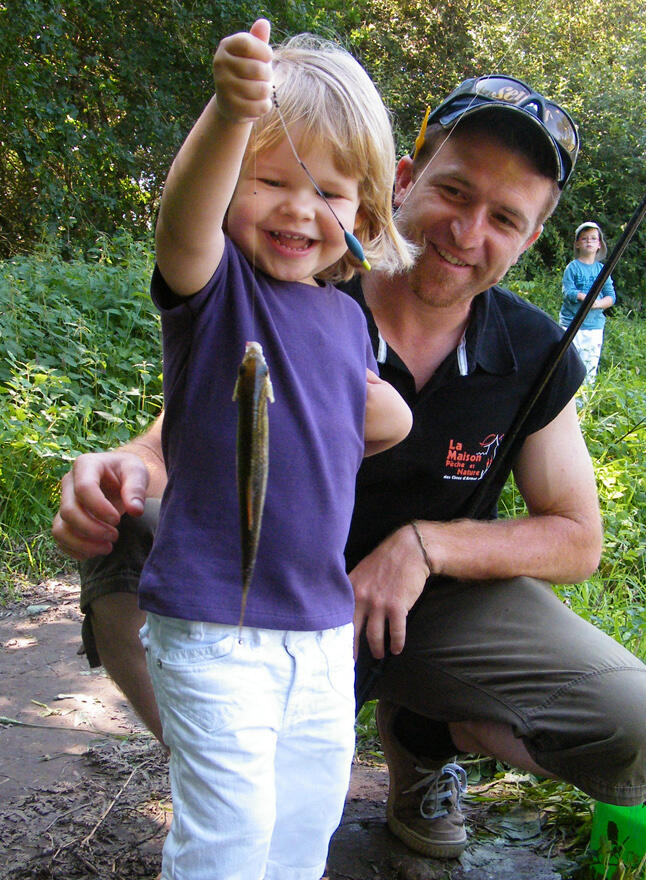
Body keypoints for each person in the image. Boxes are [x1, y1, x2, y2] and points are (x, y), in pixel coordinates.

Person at [55, 73, 646, 862]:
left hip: (426, 614)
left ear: (529, 241)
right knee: (126, 523)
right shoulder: (297, 279)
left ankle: (426, 738)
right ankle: (226, 761)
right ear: (401, 180)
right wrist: (115, 466)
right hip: (260, 595)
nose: (466, 230)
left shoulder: (533, 350)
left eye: (503, 219)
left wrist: (424, 547)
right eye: (453, 190)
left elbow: (575, 538)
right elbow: (176, 435)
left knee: (634, 723)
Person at [136, 21, 413, 879]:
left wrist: (387, 416)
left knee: (303, 827)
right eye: (269, 179)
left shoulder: (346, 318)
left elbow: (360, 414)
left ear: (365, 216)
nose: (300, 208)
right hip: (214, 624)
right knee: (228, 836)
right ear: (230, 189)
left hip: (321, 631)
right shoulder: (216, 293)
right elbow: (182, 226)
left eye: (331, 193)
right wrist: (228, 115)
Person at [559, 220, 617, 385]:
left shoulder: (601, 270)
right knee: (567, 365)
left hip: (594, 327)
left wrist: (597, 304)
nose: (589, 242)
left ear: (599, 244)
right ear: (577, 244)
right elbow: (568, 291)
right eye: (584, 238)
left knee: (589, 367)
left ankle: (584, 405)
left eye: (593, 238)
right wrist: (586, 298)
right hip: (570, 324)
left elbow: (611, 296)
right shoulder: (572, 267)